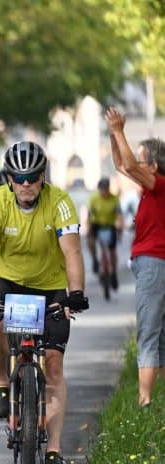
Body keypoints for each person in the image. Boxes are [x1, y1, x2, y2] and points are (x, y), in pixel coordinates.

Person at [0, 140, 89, 464]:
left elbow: (73, 253)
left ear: (42, 177)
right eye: (18, 178)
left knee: (53, 365)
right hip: (6, 279)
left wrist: (75, 293)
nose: (25, 185)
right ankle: (3, 381)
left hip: (49, 284)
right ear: (8, 179)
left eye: (32, 177)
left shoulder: (60, 202)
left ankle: (53, 450)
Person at [105, 107, 165, 408]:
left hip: (154, 264)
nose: (135, 165)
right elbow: (122, 164)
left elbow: (128, 163)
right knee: (159, 334)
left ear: (153, 165)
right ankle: (155, 401)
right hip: (152, 264)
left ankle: (144, 401)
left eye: (142, 160)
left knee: (149, 332)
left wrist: (119, 131)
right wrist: (112, 135)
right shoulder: (151, 190)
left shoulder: (160, 185)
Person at [86, 177, 124, 289]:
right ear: (99, 189)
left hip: (110, 225)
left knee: (112, 251)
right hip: (97, 224)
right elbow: (89, 216)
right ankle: (94, 259)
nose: (104, 192)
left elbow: (119, 215)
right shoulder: (94, 199)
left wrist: (120, 227)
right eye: (102, 190)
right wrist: (88, 228)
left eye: (106, 189)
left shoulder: (114, 199)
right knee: (90, 240)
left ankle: (114, 273)